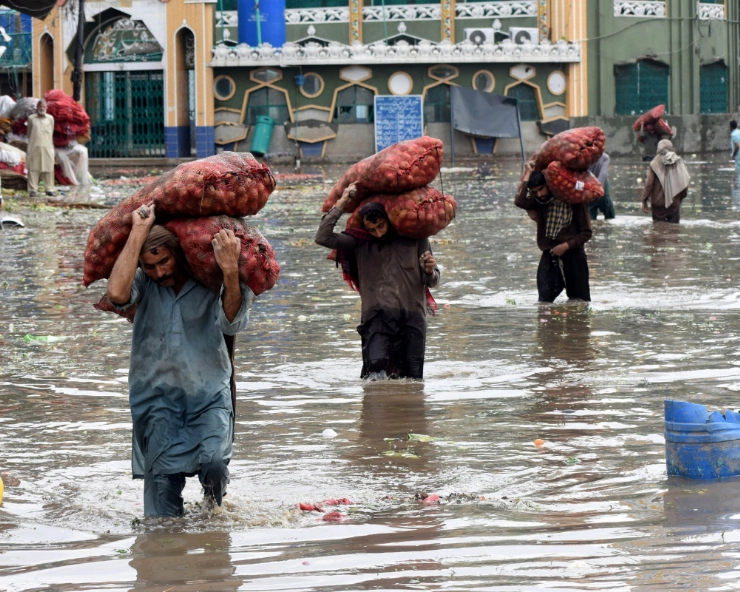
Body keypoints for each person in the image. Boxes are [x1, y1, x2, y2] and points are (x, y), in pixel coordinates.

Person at [106, 203, 254, 517]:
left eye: (164, 261)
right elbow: (117, 295)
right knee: (161, 512)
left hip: (209, 395)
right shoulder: (144, 283)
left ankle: (213, 511)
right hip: (156, 400)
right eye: (150, 265)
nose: (160, 272)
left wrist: (229, 271)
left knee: (214, 464)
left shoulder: (210, 278)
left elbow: (232, 324)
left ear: (179, 254)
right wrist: (139, 232)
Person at [315, 184, 440, 380]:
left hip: (412, 318)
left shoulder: (415, 238)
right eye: (372, 229)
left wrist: (429, 270)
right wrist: (341, 204)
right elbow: (323, 237)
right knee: (375, 374)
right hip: (376, 318)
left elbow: (431, 280)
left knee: (413, 379)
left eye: (381, 226)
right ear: (365, 227)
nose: (378, 233)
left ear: (389, 219)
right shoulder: (359, 241)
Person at [515, 163, 593, 303]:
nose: (540, 194)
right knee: (544, 299)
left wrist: (565, 246)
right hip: (550, 252)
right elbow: (520, 201)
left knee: (579, 301)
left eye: (541, 189)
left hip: (574, 254)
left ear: (549, 185)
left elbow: (586, 233)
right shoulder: (540, 202)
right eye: (535, 191)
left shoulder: (574, 199)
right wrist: (527, 175)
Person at [640, 139, 690, 224]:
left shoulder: (654, 163)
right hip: (674, 203)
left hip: (658, 204)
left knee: (658, 231)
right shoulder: (678, 161)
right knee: (674, 232)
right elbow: (685, 181)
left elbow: (649, 184)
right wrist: (682, 196)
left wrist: (644, 200)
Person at [26, 98, 55, 197]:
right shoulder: (31, 118)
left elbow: (51, 131)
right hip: (34, 146)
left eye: (44, 107)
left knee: (48, 168)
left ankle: (49, 189)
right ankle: (33, 189)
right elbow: (29, 133)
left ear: (46, 108)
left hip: (47, 146)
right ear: (37, 107)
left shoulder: (50, 118)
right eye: (40, 106)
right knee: (33, 168)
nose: (42, 108)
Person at [587, 152, 615, 220]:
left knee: (608, 211)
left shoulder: (604, 157)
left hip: (598, 188)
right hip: (590, 188)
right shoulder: (605, 157)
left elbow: (603, 175)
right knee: (590, 215)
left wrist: (598, 189)